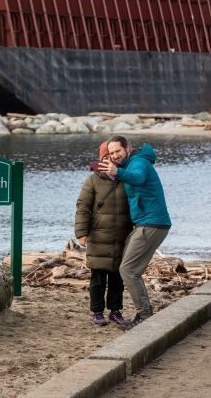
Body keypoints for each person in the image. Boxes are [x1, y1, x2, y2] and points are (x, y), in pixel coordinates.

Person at [99, 135, 171, 329]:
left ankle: (145, 314)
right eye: (112, 153)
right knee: (130, 269)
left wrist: (118, 171)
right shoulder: (130, 164)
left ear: (127, 149)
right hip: (145, 223)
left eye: (118, 151)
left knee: (128, 270)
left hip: (152, 223)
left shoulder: (138, 163)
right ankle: (145, 311)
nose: (115, 156)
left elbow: (138, 178)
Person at [75, 142, 133, 328]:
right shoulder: (92, 180)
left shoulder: (126, 178)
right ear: (101, 159)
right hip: (98, 236)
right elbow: (82, 207)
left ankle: (115, 312)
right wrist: (82, 233)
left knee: (117, 277)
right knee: (98, 278)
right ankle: (97, 312)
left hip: (122, 236)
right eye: (106, 157)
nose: (110, 160)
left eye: (113, 157)